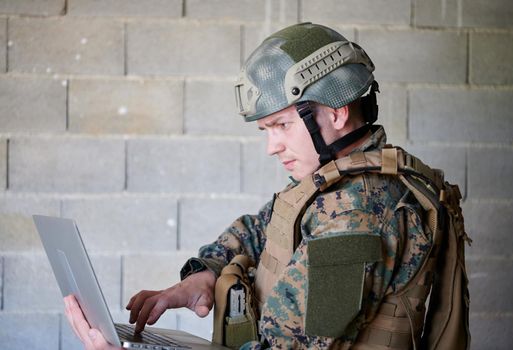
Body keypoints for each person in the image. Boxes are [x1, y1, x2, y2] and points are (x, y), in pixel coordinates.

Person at [65, 22, 468, 350]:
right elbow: (264, 228)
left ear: (337, 112)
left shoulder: (362, 213)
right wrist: (201, 277)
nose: (272, 147)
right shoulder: (331, 188)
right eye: (266, 129)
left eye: (281, 126)